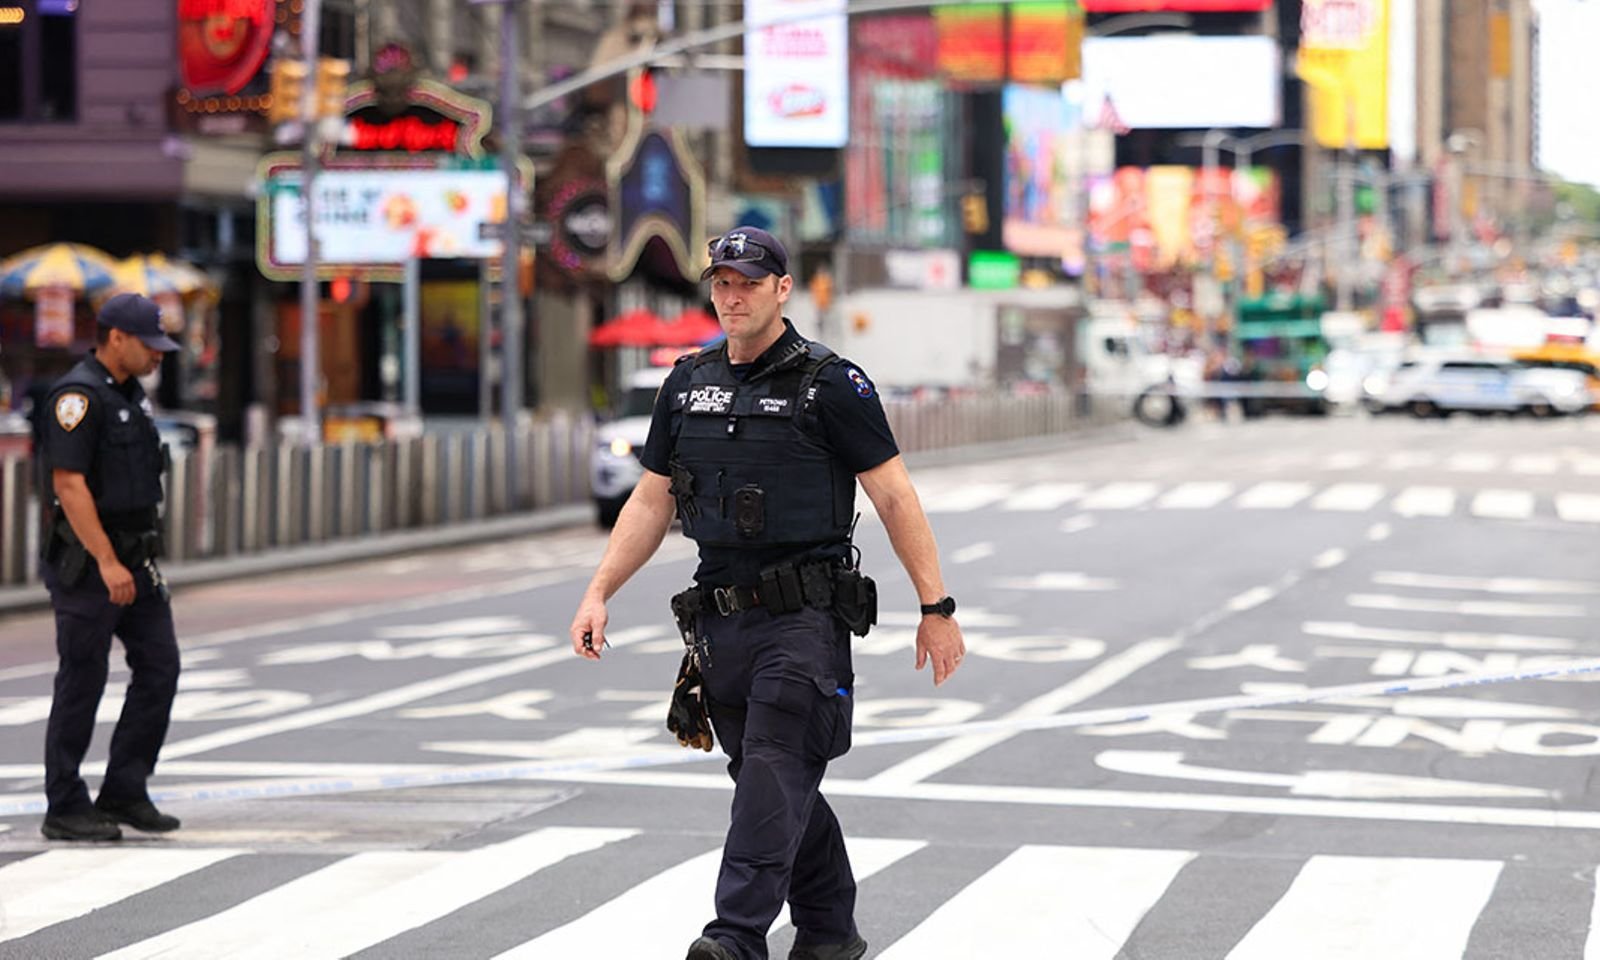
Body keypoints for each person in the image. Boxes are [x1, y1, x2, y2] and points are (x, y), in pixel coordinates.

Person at [569, 227, 965, 960]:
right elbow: (651, 503)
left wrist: (935, 608)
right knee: (770, 783)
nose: (732, 295)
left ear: (783, 289)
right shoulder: (686, 384)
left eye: (749, 282)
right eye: (722, 282)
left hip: (804, 621)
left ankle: (736, 936)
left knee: (777, 767)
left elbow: (894, 496)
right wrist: (599, 592)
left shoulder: (831, 384)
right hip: (719, 625)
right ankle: (831, 932)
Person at [37, 292, 183, 842]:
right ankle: (65, 803)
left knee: (160, 667)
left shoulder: (130, 394)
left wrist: (130, 561)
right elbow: (68, 486)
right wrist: (105, 560)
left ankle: (125, 787)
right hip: (89, 565)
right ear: (115, 338)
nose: (158, 357)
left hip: (135, 561)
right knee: (83, 679)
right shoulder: (77, 397)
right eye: (150, 346)